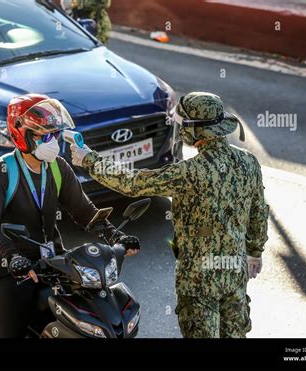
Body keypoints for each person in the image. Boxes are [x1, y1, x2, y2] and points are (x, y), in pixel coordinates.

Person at [71, 92, 269, 338]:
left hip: (199, 279)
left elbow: (132, 183)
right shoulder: (249, 162)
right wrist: (255, 252)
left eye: (182, 124)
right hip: (235, 271)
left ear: (194, 131)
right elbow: (259, 214)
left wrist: (88, 159)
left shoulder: (188, 173)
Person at [0, 94, 140, 338]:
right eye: (45, 136)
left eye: (54, 135)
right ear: (23, 135)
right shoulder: (1, 171)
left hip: (52, 261)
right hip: (11, 266)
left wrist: (114, 235)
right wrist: (12, 256)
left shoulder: (57, 167)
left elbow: (83, 210)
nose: (52, 141)